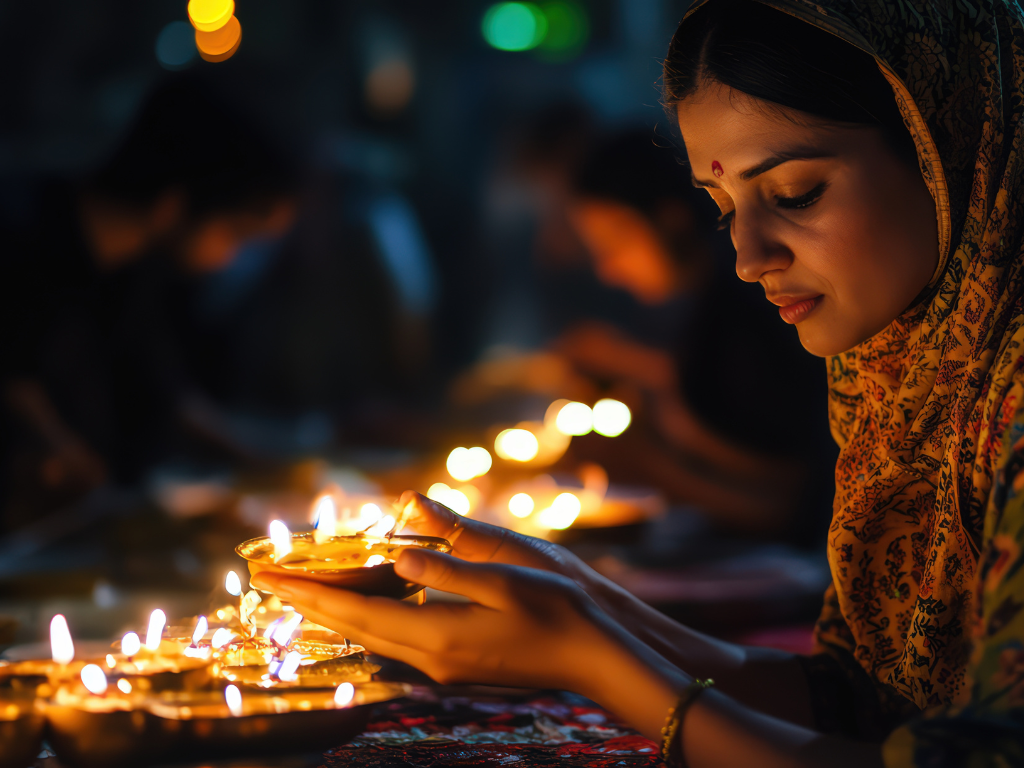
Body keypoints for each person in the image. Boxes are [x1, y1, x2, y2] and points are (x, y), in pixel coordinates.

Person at [250, 0, 1024, 765]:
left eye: (795, 195)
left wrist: (589, 659)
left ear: (947, 147)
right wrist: (587, 600)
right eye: (722, 209)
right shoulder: (902, 373)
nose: (748, 256)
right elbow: (866, 704)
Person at [0, 76, 295, 526]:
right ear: (174, 204)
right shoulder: (22, 238)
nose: (230, 258)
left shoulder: (134, 271)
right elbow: (16, 379)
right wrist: (57, 451)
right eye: (235, 233)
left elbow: (166, 390)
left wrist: (270, 461)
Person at [555, 132, 835, 540]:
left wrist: (646, 463)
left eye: (616, 241)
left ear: (671, 217)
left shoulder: (753, 310)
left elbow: (798, 503)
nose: (607, 269)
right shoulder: (701, 308)